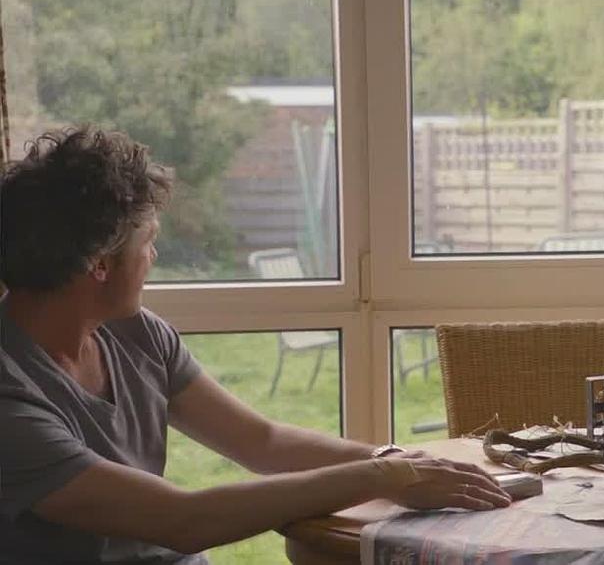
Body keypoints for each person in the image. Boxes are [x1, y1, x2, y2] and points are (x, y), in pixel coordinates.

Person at [0, 126, 510, 564]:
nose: (154, 256)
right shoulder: (10, 397)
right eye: (148, 241)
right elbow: (182, 520)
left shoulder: (135, 333)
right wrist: (384, 475)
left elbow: (263, 442)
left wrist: (397, 459)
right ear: (99, 265)